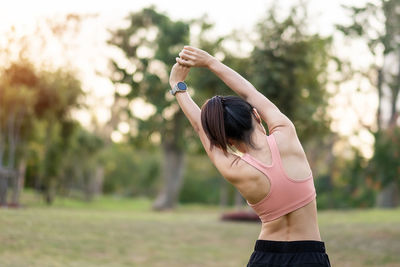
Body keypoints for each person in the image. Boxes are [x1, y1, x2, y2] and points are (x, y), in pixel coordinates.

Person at [169, 46, 331, 267]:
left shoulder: (236, 169)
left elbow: (200, 128)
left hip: (265, 258)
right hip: (309, 257)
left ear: (229, 142)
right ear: (256, 114)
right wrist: (210, 62)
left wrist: (178, 88)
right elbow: (249, 93)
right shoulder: (287, 135)